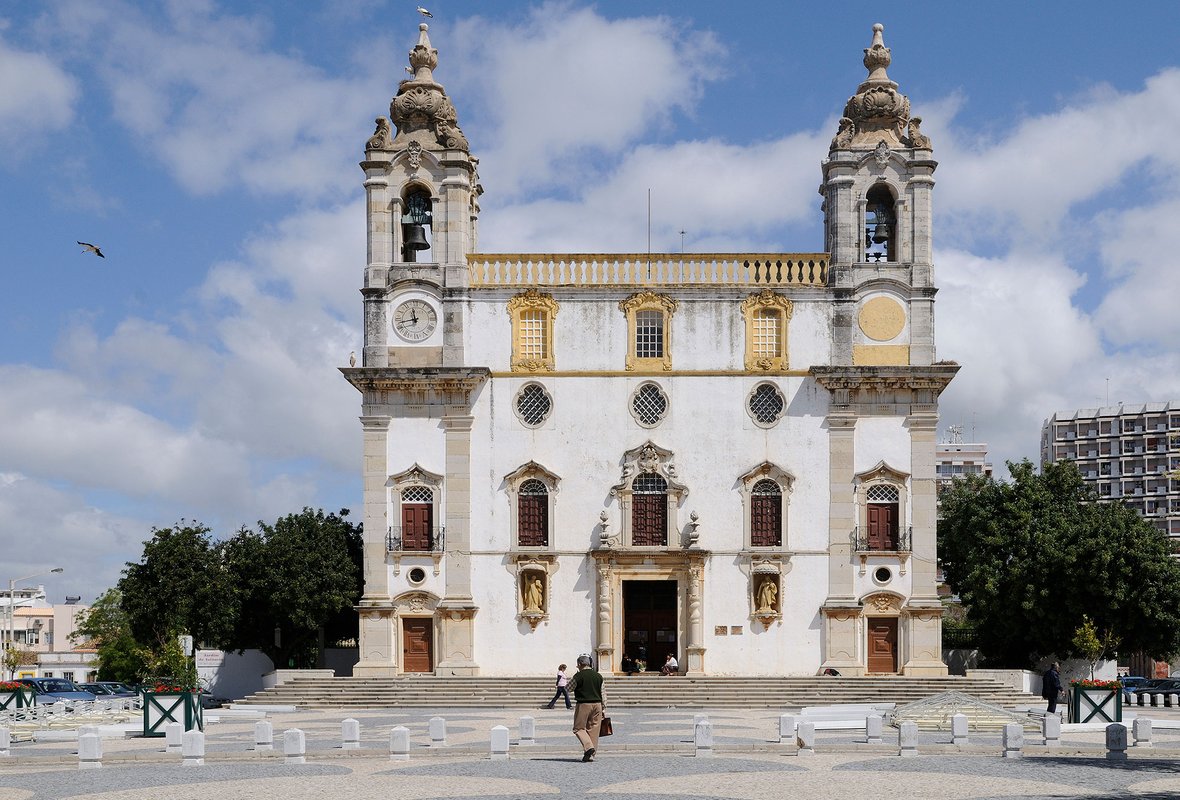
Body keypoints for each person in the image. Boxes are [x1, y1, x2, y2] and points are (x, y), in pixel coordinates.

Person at [568, 653, 605, 762]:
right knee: (593, 730)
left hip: (584, 704)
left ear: (580, 664)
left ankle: (589, 748)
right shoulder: (598, 676)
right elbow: (603, 693)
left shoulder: (579, 676)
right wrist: (604, 708)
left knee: (578, 728)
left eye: (577, 665)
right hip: (598, 704)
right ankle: (591, 755)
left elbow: (569, 688)